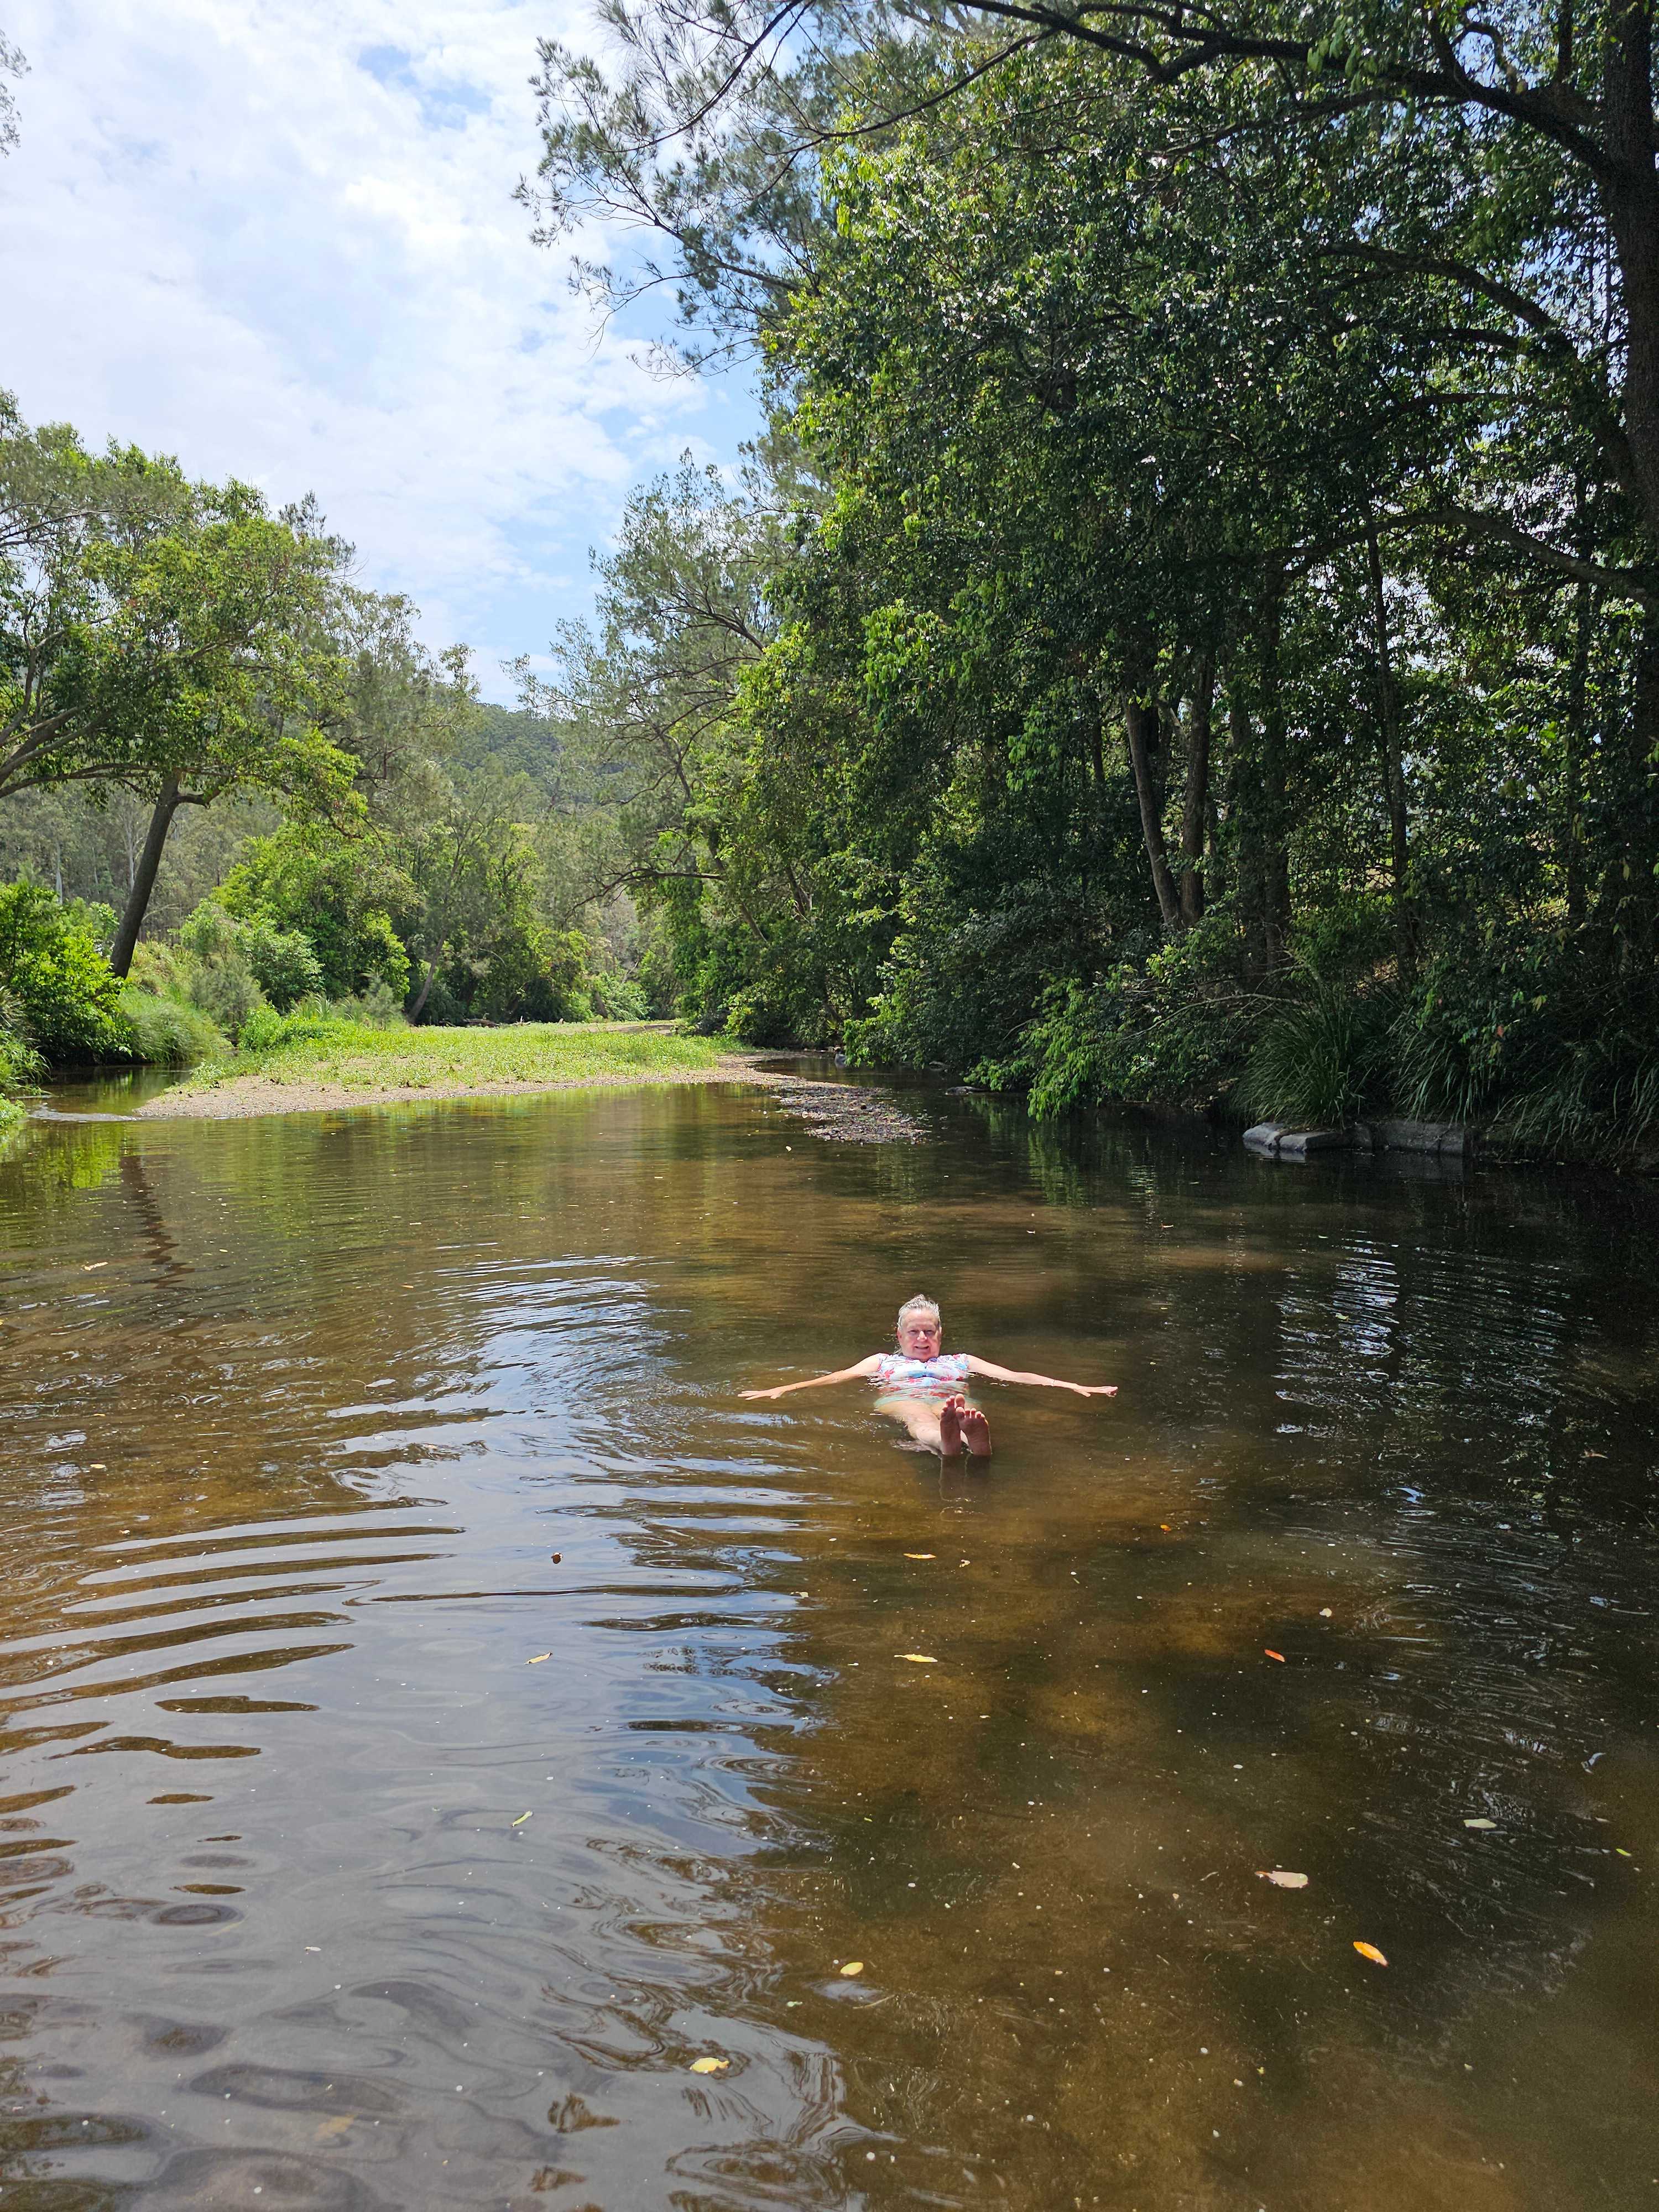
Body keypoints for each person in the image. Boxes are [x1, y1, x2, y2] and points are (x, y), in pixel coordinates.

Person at [738, 1293, 1117, 1458]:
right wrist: (783, 1389)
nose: (923, 1338)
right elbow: (837, 1377)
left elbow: (1014, 1375)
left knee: (959, 1408)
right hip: (901, 1394)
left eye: (930, 1332)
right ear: (900, 1335)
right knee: (919, 1417)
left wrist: (1070, 1385)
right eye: (914, 1332)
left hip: (949, 1394)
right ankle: (956, 1441)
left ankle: (964, 1441)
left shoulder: (961, 1360)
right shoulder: (882, 1361)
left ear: (940, 1335)